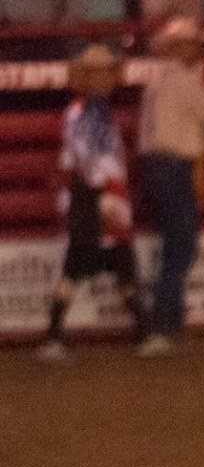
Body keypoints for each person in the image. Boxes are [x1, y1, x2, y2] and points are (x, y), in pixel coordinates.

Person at [39, 46, 145, 361]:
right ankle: (143, 331)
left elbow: (71, 156)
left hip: (95, 192)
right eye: (98, 74)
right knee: (108, 258)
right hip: (100, 191)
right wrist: (103, 189)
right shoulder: (90, 113)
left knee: (98, 260)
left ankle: (56, 335)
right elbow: (91, 158)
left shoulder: (79, 112)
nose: (103, 79)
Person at [135, 19, 204, 355]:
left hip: (157, 166)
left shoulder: (158, 78)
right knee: (181, 248)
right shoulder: (183, 79)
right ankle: (162, 327)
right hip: (174, 167)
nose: (198, 51)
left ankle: (171, 326)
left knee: (176, 245)